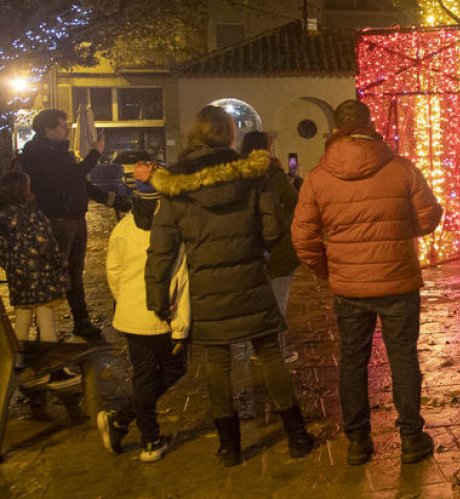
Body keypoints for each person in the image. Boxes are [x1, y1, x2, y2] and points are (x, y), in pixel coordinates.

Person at [145, 105, 314, 466]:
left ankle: (229, 447)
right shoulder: (252, 175)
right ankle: (297, 435)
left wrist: (156, 296)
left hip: (206, 286)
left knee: (217, 362)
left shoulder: (175, 184)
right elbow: (272, 229)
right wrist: (257, 251)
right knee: (269, 354)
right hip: (251, 278)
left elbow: (161, 248)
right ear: (229, 134)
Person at [292, 100, 443, 466]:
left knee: (352, 362)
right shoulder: (402, 169)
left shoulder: (317, 177)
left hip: (349, 289)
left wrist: (327, 269)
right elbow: (430, 217)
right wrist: (398, 232)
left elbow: (302, 237)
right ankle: (411, 438)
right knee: (403, 358)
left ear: (336, 129)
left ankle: (358, 441)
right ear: (369, 124)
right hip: (398, 283)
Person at [97, 173, 189, 462]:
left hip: (130, 317)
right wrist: (181, 326)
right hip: (162, 317)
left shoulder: (122, 228)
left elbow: (113, 273)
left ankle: (125, 423)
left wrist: (126, 301)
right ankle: (147, 438)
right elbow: (182, 281)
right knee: (173, 369)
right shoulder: (173, 230)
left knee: (145, 376)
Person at [18, 109, 129, 338]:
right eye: (62, 126)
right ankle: (45, 330)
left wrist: (110, 200)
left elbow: (78, 181)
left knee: (75, 273)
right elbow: (70, 175)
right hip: (58, 219)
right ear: (47, 129)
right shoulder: (38, 153)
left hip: (75, 218)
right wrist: (95, 154)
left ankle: (81, 321)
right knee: (55, 273)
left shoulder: (61, 152)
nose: (67, 130)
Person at [0, 169, 78, 390]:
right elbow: (47, 244)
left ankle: (21, 368)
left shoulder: (2, 217)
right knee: (46, 321)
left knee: (22, 320)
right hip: (42, 275)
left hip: (18, 277)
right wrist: (60, 262)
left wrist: (13, 265)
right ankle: (52, 371)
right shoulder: (32, 214)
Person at [241, 131, 300, 364]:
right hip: (278, 249)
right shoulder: (274, 174)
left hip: (248, 247)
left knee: (256, 300)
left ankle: (257, 347)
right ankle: (277, 351)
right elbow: (294, 204)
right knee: (278, 300)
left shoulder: (238, 175)